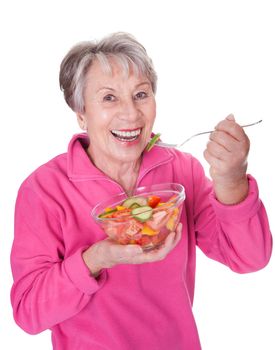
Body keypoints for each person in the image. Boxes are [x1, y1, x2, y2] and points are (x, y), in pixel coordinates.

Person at [10, 32, 272, 350]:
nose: (131, 114)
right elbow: (29, 313)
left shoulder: (182, 171)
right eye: (109, 98)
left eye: (141, 95)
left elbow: (250, 258)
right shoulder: (44, 190)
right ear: (81, 114)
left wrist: (232, 179)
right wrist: (96, 258)